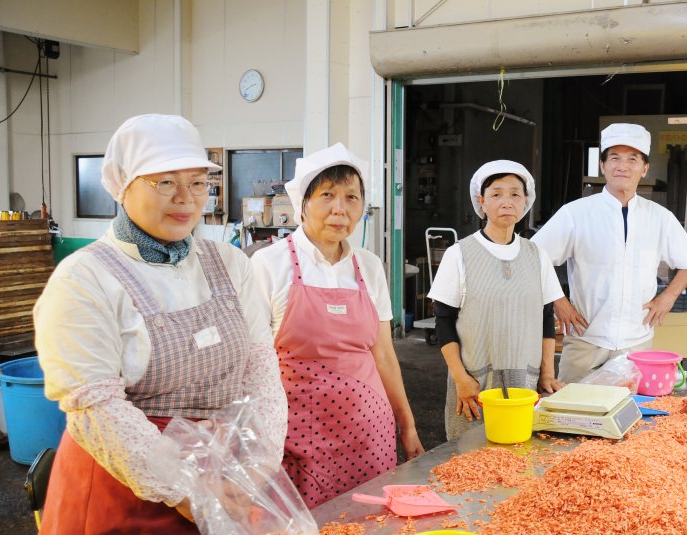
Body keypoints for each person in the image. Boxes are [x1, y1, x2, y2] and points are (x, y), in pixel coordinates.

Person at [34, 114, 287, 533]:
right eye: (165, 182)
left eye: (198, 183)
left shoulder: (228, 263)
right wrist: (188, 488)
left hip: (226, 479)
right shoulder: (83, 279)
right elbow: (97, 412)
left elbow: (262, 370)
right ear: (123, 186)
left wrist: (257, 467)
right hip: (127, 488)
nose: (185, 198)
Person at [252, 143, 424, 507]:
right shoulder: (268, 265)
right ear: (303, 205)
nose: (340, 209)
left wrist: (406, 425)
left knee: (370, 522)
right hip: (294, 438)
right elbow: (251, 361)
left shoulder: (369, 266)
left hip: (368, 434)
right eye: (327, 195)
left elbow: (384, 355)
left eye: (351, 197)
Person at [532, 123, 687, 384]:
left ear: (644, 168)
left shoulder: (659, 217)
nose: (622, 166)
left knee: (630, 417)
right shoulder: (576, 213)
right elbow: (535, 257)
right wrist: (559, 300)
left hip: (636, 343)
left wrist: (668, 297)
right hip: (585, 341)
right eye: (614, 158)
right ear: (603, 166)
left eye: (632, 159)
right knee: (575, 415)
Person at [428, 160, 565, 440]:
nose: (506, 202)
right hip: (473, 388)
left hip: (524, 387)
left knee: (518, 462)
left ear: (525, 201)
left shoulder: (536, 255)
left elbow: (545, 319)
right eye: (496, 194)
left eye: (515, 194)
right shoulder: (460, 254)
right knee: (469, 461)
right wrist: (460, 377)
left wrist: (547, 374)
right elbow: (443, 321)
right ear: (482, 201)